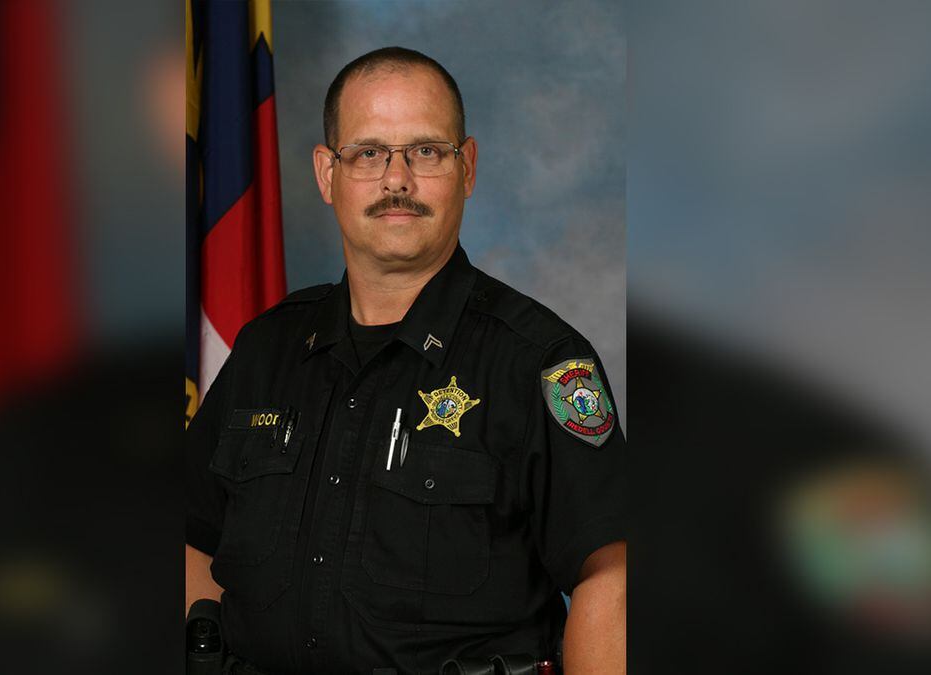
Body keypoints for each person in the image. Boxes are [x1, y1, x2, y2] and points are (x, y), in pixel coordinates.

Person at [186, 46, 626, 674]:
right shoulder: (265, 350)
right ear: (326, 174)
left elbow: (611, 577)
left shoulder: (540, 363)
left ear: (467, 168)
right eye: (368, 153)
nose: (397, 180)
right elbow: (195, 536)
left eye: (425, 151)